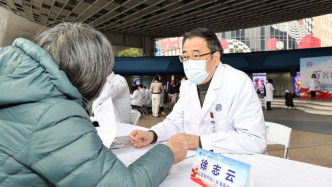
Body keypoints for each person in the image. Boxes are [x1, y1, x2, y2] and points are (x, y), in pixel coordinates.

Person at [0, 22, 187, 186]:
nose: (105, 82)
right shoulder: (54, 116)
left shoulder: (19, 87)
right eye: (104, 74)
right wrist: (167, 153)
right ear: (87, 74)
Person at [130, 28, 266, 154]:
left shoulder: (238, 82)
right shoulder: (187, 85)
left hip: (235, 163)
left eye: (196, 55)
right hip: (197, 161)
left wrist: (199, 141)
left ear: (216, 58)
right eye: (185, 56)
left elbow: (254, 140)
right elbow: (175, 122)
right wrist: (152, 134)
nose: (189, 62)